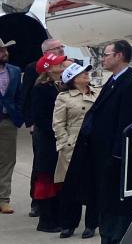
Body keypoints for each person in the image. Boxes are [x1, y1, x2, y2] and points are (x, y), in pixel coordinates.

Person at [70, 40, 132, 244]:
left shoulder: (131, 85)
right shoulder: (113, 81)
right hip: (102, 158)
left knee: (117, 211)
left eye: (106, 54)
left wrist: (116, 156)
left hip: (116, 162)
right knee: (105, 207)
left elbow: (127, 126)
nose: (102, 58)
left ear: (119, 56)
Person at [21, 38, 66, 219]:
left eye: (62, 47)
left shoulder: (66, 66)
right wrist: (30, 121)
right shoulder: (34, 69)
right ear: (47, 52)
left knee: (57, 166)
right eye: (58, 48)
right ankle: (37, 202)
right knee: (41, 166)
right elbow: (27, 96)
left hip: (58, 128)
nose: (62, 50)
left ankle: (55, 202)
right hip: (42, 126)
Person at [54, 61, 100, 239]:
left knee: (92, 186)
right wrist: (63, 144)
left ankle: (91, 224)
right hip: (72, 146)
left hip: (92, 145)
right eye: (82, 74)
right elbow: (58, 124)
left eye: (86, 73)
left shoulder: (97, 93)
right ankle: (68, 224)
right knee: (70, 187)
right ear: (72, 79)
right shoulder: (63, 97)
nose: (86, 75)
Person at [31, 53, 69, 233]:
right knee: (46, 178)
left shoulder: (58, 87)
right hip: (47, 139)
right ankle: (46, 220)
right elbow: (39, 117)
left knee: (56, 177)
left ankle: (56, 216)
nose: (62, 67)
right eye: (58, 64)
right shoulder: (42, 88)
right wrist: (58, 130)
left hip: (55, 138)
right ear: (48, 69)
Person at [0, 38, 24, 215]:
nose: (5, 53)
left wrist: (18, 115)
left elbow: (19, 96)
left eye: (5, 50)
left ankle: (3, 199)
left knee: (8, 161)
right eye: (1, 51)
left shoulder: (14, 71)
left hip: (8, 120)